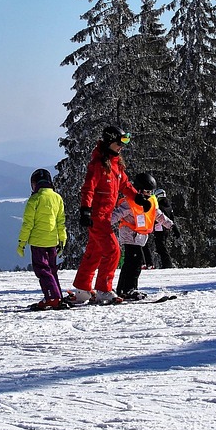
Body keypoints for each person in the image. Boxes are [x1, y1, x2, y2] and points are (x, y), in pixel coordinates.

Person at [70, 125, 143, 305]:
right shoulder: (98, 165)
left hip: (105, 217)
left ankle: (82, 289)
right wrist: (85, 210)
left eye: (124, 142)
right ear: (109, 141)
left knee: (94, 252)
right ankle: (103, 289)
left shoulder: (116, 165)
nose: (122, 146)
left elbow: (125, 186)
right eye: (119, 142)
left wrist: (138, 197)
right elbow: (88, 188)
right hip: (97, 217)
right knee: (112, 251)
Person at [114, 172, 174, 300]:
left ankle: (122, 289)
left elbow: (158, 214)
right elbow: (117, 214)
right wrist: (102, 223)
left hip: (140, 237)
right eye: (147, 191)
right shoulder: (130, 202)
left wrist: (171, 225)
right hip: (129, 234)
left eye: (152, 192)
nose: (150, 194)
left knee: (130, 263)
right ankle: (130, 289)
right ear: (139, 190)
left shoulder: (151, 201)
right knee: (136, 262)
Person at [17, 168, 68, 310]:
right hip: (53, 241)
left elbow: (28, 223)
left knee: (42, 270)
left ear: (34, 184)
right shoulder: (57, 198)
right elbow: (60, 221)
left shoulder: (35, 199)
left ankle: (52, 297)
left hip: (38, 241)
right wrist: (62, 240)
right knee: (52, 270)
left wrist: (22, 242)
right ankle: (56, 295)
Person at [148, 188, 179, 269]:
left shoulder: (160, 206)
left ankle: (167, 264)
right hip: (166, 228)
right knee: (161, 246)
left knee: (161, 246)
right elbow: (172, 217)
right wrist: (172, 226)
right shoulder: (169, 206)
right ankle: (165, 264)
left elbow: (159, 216)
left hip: (160, 228)